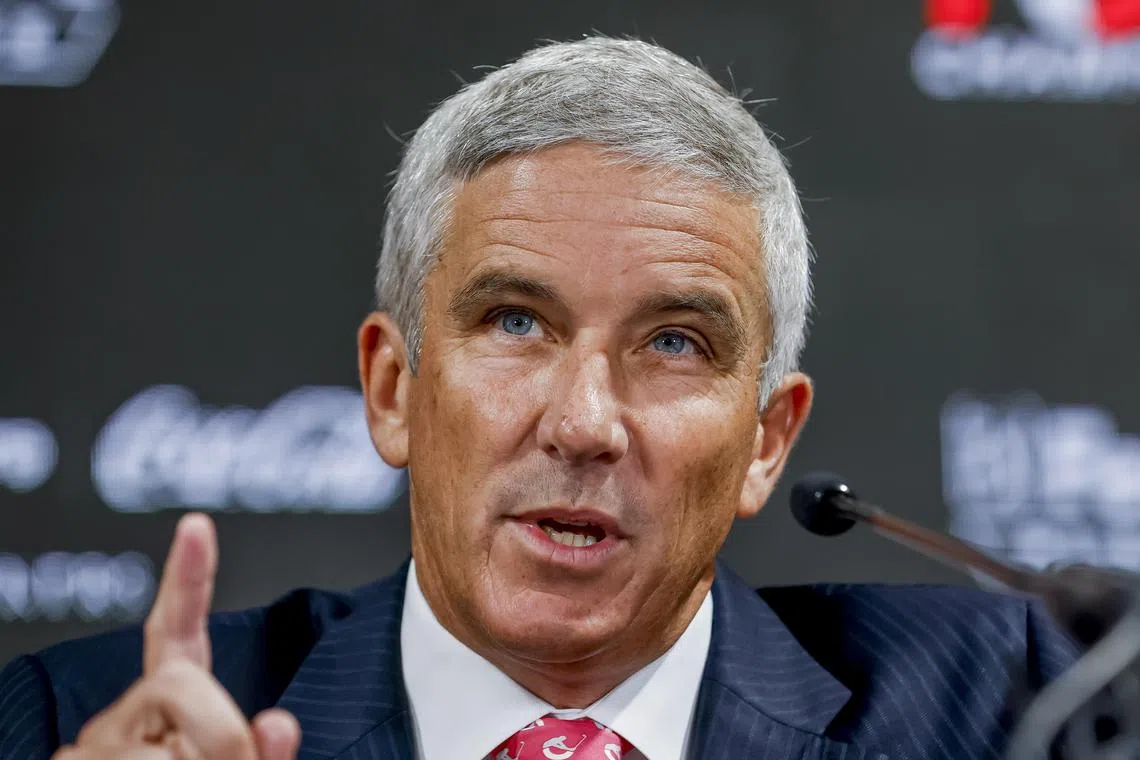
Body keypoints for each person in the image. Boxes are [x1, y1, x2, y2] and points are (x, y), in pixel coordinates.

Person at [0, 37, 1076, 760]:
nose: (583, 424)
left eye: (673, 341)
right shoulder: (84, 722)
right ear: (391, 386)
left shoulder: (1015, 707)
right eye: (516, 322)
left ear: (766, 439)